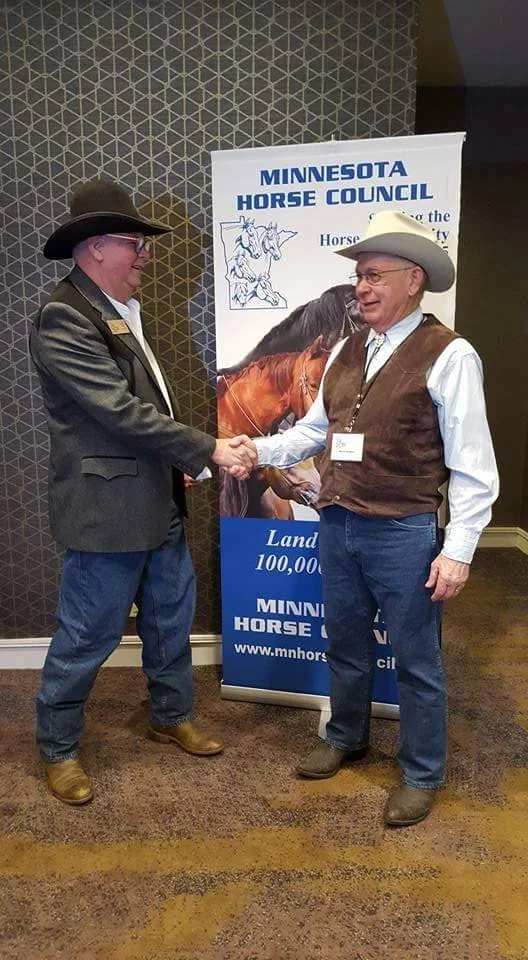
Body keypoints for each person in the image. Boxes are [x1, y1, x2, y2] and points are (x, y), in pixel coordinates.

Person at [243, 210, 499, 827]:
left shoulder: (451, 354)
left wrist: (458, 549)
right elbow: (312, 432)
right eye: (359, 276)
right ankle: (347, 735)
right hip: (338, 523)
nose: (362, 287)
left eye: (375, 275)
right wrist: (256, 450)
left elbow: (473, 465)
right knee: (346, 642)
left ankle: (421, 771)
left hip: (404, 531)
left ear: (414, 279)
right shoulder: (345, 351)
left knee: (416, 658)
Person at [31, 178, 256, 805]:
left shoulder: (118, 309)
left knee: (169, 619)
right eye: (135, 244)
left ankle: (170, 714)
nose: (147, 256)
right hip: (105, 514)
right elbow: (118, 411)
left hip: (158, 500)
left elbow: (145, 408)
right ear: (96, 247)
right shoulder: (64, 318)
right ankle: (57, 748)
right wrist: (205, 448)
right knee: (87, 635)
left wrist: (176, 462)